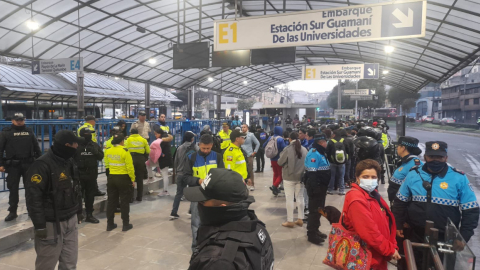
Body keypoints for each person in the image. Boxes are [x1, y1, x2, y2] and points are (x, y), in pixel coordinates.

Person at [392, 141, 479, 268]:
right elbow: (400, 202)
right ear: (425, 157)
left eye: (440, 157)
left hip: (446, 239)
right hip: (414, 235)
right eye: (432, 157)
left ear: (446, 158)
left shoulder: (458, 178)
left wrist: (463, 236)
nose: (436, 160)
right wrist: (398, 224)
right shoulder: (413, 174)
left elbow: (471, 210)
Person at [184, 168, 274, 270]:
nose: (199, 205)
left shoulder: (216, 261)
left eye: (202, 201)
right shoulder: (258, 228)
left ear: (221, 207)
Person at [25, 130, 84, 270]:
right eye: (76, 144)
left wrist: (79, 210)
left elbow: (76, 187)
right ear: (67, 145)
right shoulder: (41, 166)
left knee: (70, 263)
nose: (77, 147)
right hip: (51, 223)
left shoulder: (69, 161)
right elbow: (34, 198)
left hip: (71, 218)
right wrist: (39, 225)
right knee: (46, 264)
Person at [343, 159, 401, 270]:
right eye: (365, 177)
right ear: (357, 178)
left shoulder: (373, 195)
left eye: (373, 177)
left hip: (376, 255)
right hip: (365, 258)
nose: (370, 180)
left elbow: (386, 221)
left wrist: (392, 244)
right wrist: (389, 249)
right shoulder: (357, 199)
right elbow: (369, 232)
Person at [183, 134, 224, 251]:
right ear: (199, 145)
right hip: (197, 193)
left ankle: (213, 246)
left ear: (211, 145)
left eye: (208, 148)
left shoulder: (218, 157)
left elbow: (222, 175)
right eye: (203, 148)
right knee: (196, 223)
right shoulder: (192, 157)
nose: (205, 151)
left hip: (213, 195)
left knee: (214, 222)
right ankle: (196, 248)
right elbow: (185, 177)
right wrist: (198, 180)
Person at [0, 112, 42, 221]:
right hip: (13, 165)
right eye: (17, 120)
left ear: (24, 120)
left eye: (21, 120)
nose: (19, 122)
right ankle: (13, 211)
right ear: (12, 121)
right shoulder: (6, 133)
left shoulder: (29, 131)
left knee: (30, 189)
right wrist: (0, 164)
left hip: (29, 164)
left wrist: (40, 161)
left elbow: (36, 147)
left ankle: (31, 210)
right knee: (13, 189)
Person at [104, 133, 135, 232]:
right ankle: (125, 224)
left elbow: (107, 165)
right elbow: (130, 167)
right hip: (123, 178)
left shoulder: (108, 151)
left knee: (111, 201)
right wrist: (132, 179)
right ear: (122, 142)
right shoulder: (125, 151)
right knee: (124, 201)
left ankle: (110, 224)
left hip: (112, 178)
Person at [304, 133, 331, 245]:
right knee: (314, 211)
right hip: (316, 187)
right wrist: (315, 188)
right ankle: (311, 234)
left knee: (319, 209)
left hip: (322, 186)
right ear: (321, 142)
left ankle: (316, 230)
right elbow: (312, 173)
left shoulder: (321, 152)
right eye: (325, 142)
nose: (326, 143)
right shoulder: (314, 153)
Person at [277, 132, 308, 228]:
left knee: (289, 199)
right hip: (301, 177)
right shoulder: (304, 149)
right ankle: (300, 219)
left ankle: (290, 221)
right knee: (300, 198)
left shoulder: (287, 149)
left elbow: (280, 162)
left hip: (289, 177)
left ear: (290, 139)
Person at [75, 128, 104, 224]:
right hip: (79, 175)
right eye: (88, 134)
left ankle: (89, 215)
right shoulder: (76, 145)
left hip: (91, 175)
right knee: (78, 195)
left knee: (90, 196)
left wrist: (95, 151)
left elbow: (101, 156)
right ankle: (78, 215)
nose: (90, 136)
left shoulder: (94, 145)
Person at [170, 131, 198, 219]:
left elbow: (175, 161)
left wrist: (177, 172)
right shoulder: (195, 148)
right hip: (190, 174)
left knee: (178, 194)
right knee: (193, 192)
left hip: (180, 174)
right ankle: (191, 211)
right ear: (192, 139)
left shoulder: (179, 148)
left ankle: (174, 212)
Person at [387, 136, 422, 203]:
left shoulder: (415, 164)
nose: (397, 148)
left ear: (403, 148)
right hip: (396, 202)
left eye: (398, 146)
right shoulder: (405, 161)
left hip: (403, 205)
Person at [125, 128, 150, 202]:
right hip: (140, 159)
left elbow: (125, 149)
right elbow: (148, 150)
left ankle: (131, 198)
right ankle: (139, 197)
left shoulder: (128, 140)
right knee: (140, 178)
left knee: (130, 178)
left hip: (131, 159)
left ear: (131, 133)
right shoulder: (143, 140)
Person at [326, 129, 350, 195]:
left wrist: (329, 159)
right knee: (341, 176)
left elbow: (327, 152)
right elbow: (348, 151)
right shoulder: (344, 141)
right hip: (342, 162)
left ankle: (330, 189)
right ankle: (341, 190)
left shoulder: (331, 141)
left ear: (334, 135)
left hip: (332, 161)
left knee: (332, 176)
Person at [264, 126, 286, 196]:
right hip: (279, 159)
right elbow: (284, 148)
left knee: (275, 173)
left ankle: (275, 189)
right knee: (281, 174)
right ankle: (275, 186)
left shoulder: (270, 138)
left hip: (272, 158)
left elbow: (264, 145)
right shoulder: (280, 139)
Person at [241, 124, 260, 191]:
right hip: (241, 155)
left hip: (249, 154)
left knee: (250, 170)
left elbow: (257, 143)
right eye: (242, 127)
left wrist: (254, 151)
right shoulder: (240, 135)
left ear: (247, 128)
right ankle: (244, 184)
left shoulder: (251, 135)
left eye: (244, 127)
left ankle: (252, 184)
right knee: (243, 170)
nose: (243, 128)